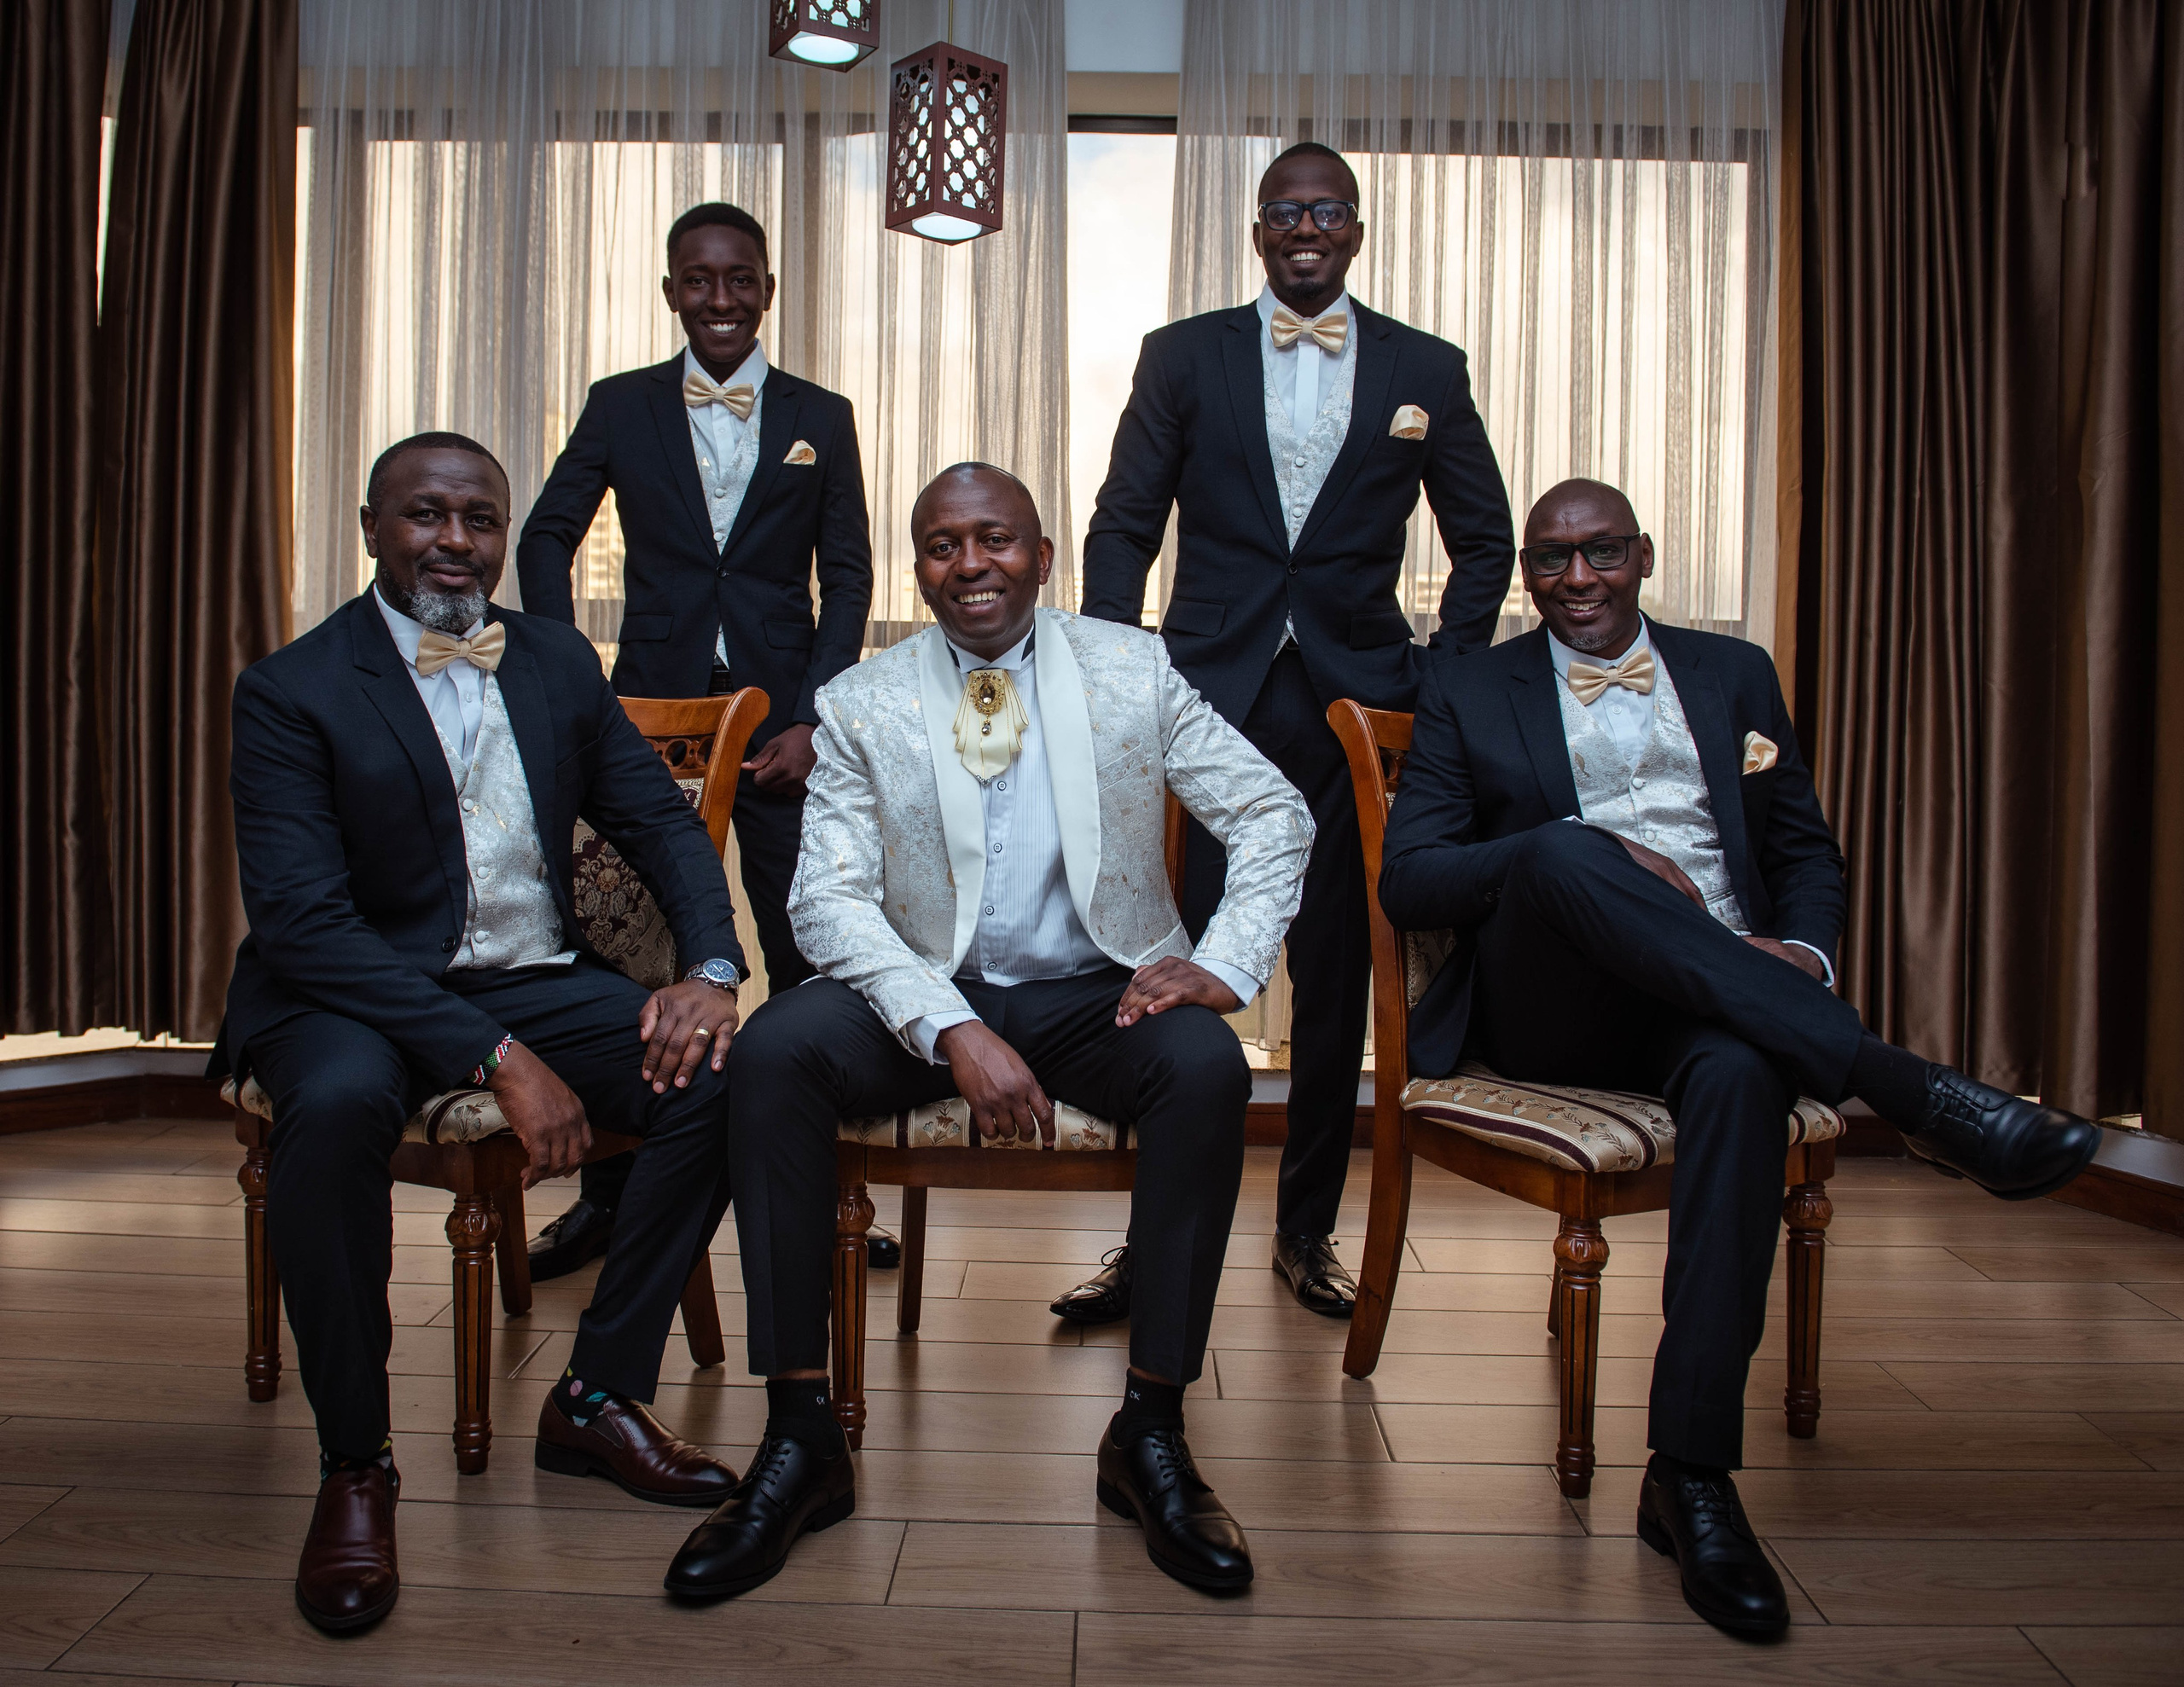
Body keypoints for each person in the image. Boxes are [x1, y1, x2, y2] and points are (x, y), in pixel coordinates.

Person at [1379, 476, 2104, 1637]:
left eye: (1601, 553)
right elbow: (1409, 879)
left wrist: (1804, 957)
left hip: (1721, 999)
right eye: (1552, 560)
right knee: (1566, 851)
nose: (1577, 580)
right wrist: (1581, 850)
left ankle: (1692, 1475)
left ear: (1644, 554)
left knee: (1741, 1069)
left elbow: (1804, 850)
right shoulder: (1466, 684)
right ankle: (1906, 1087)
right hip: (1558, 1007)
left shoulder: (1734, 674)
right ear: (1525, 574)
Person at [662, 464, 1312, 1601]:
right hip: (921, 985)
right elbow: (827, 901)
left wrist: (1219, 965)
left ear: (1043, 555)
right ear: (920, 567)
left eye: (996, 540)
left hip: (1094, 989)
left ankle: (1149, 1429)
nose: (971, 565)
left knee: (1208, 1067)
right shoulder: (865, 699)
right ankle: (801, 1435)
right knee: (774, 1050)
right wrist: (949, 1022)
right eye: (943, 545)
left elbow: (1273, 813)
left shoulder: (1131, 668)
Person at [213, 433, 754, 1635]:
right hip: (345, 990)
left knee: (726, 1066)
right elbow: (302, 924)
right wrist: (499, 1061)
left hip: (531, 974)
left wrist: (713, 970)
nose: (454, 540)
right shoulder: (291, 689)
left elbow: (660, 829)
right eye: (425, 515)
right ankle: (356, 1462)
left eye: (478, 518)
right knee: (344, 1101)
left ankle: (598, 1394)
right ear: (370, 528)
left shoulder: (555, 659)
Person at [1072, 140, 1514, 1322]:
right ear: (1258, 231)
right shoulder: (1181, 357)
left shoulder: (1428, 367)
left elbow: (1487, 542)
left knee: (1330, 979)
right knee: (1159, 971)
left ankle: (1306, 1231)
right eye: (1283, 212)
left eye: (1326, 211)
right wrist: (1122, 671)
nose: (1304, 227)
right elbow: (1121, 526)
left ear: (1356, 231)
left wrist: (1441, 683)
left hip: (1350, 714)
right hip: (1202, 701)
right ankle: (1146, 1245)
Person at [515, 201, 886, 1278]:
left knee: (812, 947)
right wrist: (569, 672)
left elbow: (850, 574)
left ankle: (824, 1194)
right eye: (698, 279)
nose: (719, 298)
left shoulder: (824, 412)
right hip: (645, 720)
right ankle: (609, 1200)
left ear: (766, 290)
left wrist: (817, 713)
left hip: (778, 721)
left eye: (740, 279)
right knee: (630, 949)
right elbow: (546, 534)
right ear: (672, 290)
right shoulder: (620, 405)